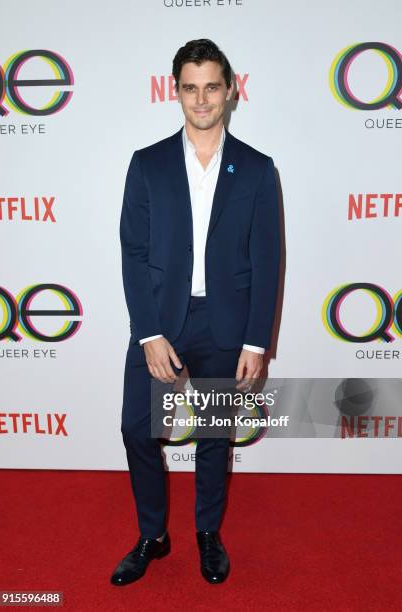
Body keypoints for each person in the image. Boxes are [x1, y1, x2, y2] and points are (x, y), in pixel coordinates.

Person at [111, 38, 281, 586]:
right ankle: (153, 536)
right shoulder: (148, 164)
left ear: (230, 90)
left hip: (226, 325)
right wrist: (149, 332)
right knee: (137, 429)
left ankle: (208, 533)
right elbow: (133, 253)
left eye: (212, 86)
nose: (202, 98)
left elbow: (267, 257)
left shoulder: (257, 169)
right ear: (176, 92)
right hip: (162, 323)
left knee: (213, 438)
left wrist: (257, 342)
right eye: (190, 87)